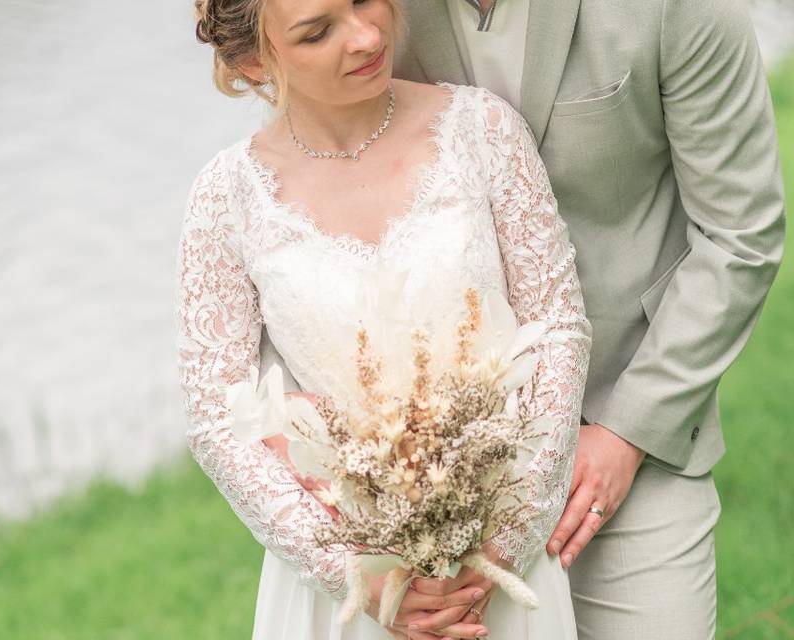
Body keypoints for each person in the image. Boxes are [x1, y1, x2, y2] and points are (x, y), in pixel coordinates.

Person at [175, 0, 591, 638]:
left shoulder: (482, 129)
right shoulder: (226, 199)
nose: (368, 37)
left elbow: (557, 323)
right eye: (318, 32)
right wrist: (353, 574)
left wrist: (506, 542)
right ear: (257, 60)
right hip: (349, 581)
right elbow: (216, 418)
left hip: (502, 559)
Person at [391, 1, 787, 638]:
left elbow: (740, 236)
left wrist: (628, 432)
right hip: (437, 476)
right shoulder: (367, 16)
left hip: (625, 423)